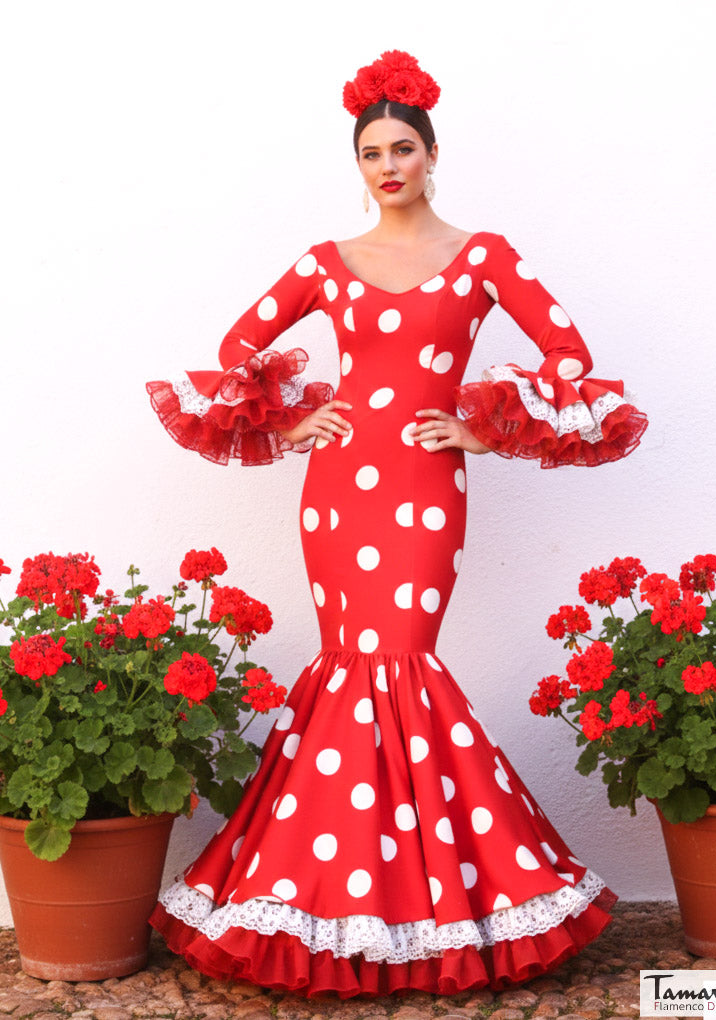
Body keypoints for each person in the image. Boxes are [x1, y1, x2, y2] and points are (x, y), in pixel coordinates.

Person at [147, 50, 647, 998]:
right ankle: (334, 902)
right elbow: (236, 347)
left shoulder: (484, 253)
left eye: (402, 148)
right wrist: (295, 424)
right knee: (350, 666)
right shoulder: (325, 262)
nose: (387, 165)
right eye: (372, 151)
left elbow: (569, 354)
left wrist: (481, 433)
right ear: (360, 163)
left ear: (431, 154)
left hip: (425, 484)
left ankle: (427, 905)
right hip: (339, 488)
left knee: (401, 660)